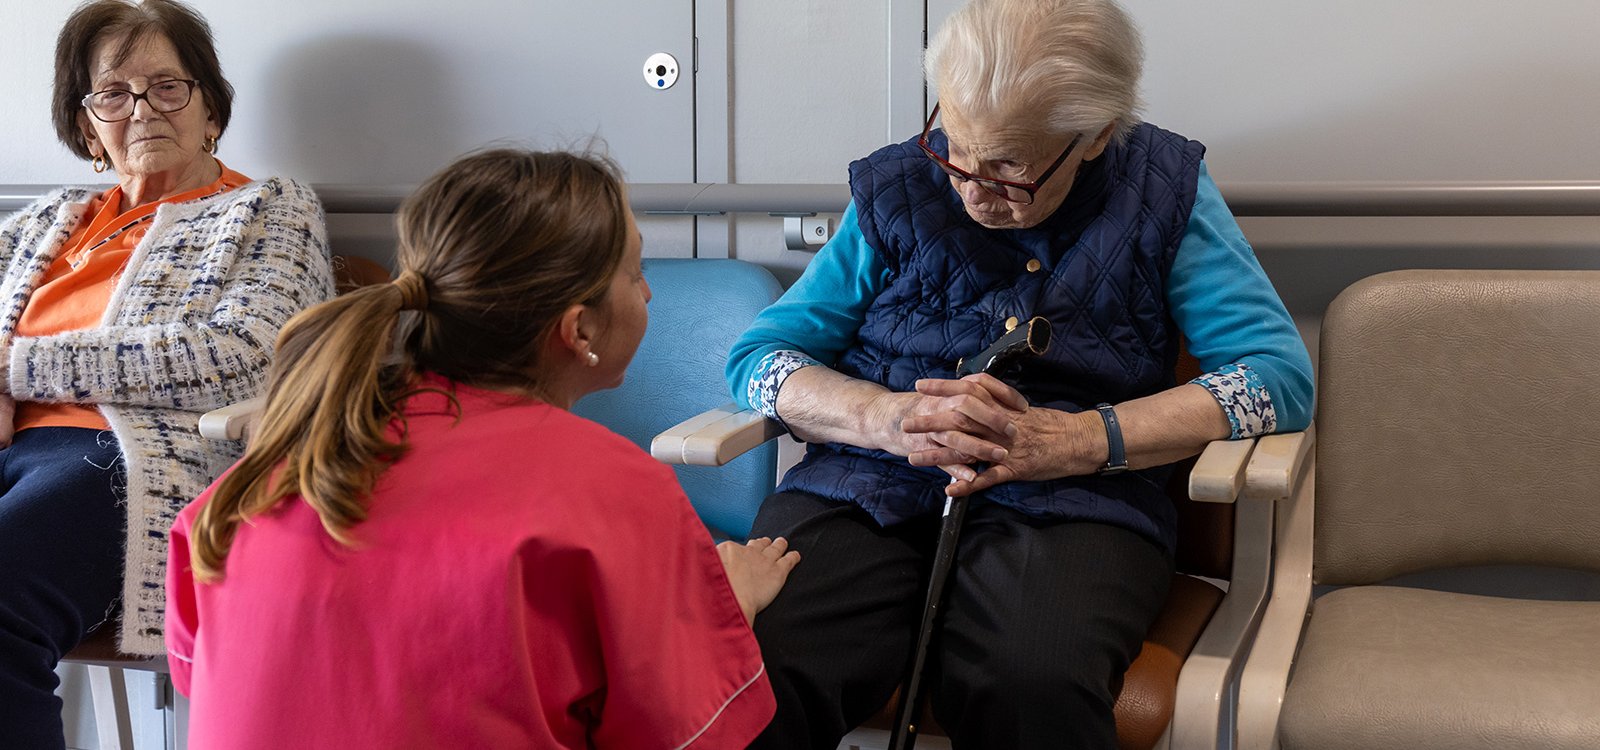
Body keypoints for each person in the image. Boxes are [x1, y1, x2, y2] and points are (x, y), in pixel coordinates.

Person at [725, 0, 1315, 746]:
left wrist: (1081, 439)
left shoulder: (1162, 189)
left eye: (1009, 166)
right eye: (955, 147)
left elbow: (1275, 377)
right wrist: (884, 417)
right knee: (759, 663)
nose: (970, 188)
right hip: (867, 485)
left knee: (1030, 683)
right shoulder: (900, 185)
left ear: (1097, 135)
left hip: (1074, 505)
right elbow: (759, 362)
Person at [165, 148, 800, 749]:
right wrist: (730, 604)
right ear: (578, 330)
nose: (650, 293)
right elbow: (680, 732)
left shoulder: (249, 491)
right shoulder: (615, 493)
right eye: (635, 273)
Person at [0, 1, 333, 746]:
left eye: (167, 86)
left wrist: (19, 368)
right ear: (89, 127)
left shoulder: (267, 209)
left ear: (209, 106)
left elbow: (240, 353)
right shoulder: (38, 225)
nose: (142, 108)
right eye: (114, 93)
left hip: (137, 457)